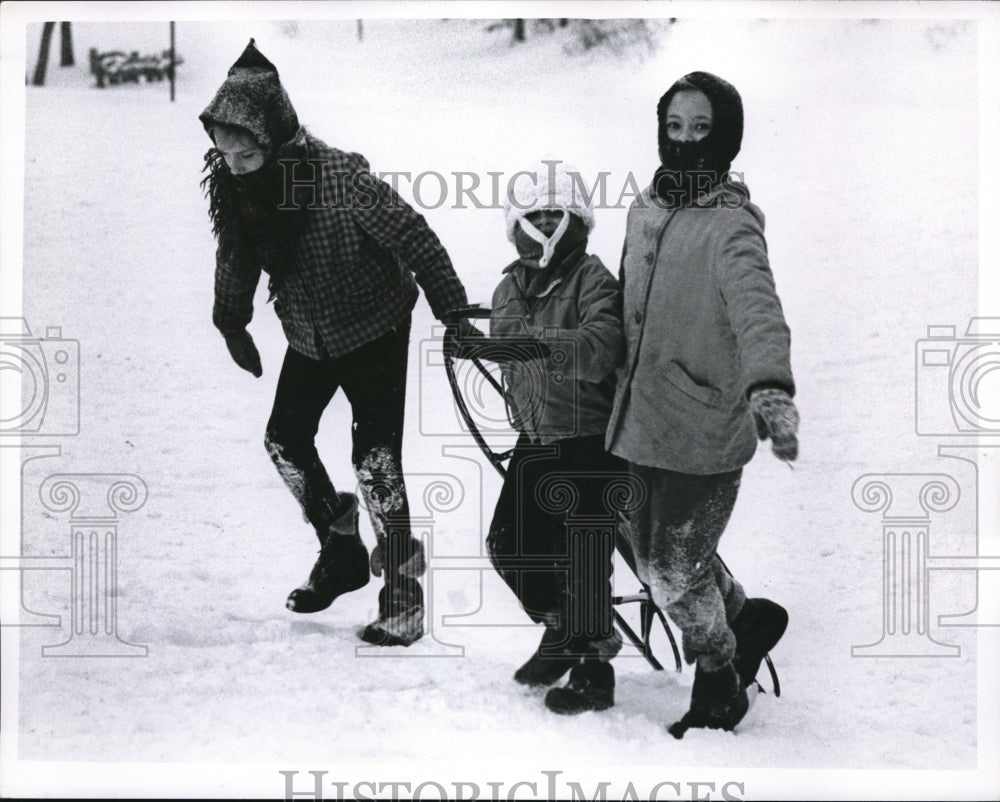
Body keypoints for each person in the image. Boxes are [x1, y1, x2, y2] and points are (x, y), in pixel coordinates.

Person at [198, 39, 469, 647]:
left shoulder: (343, 179)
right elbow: (236, 257)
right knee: (284, 443)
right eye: (224, 152)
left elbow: (416, 238)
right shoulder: (244, 191)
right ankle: (340, 549)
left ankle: (403, 593)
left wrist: (453, 313)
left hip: (375, 325)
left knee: (375, 461)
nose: (234, 164)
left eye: (246, 152)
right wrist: (231, 321)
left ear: (278, 139)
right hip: (309, 333)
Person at [606, 71, 798, 737]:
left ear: (727, 140)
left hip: (704, 425)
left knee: (668, 570)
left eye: (702, 130)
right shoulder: (645, 208)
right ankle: (744, 616)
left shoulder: (731, 226)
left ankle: (721, 673)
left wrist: (769, 386)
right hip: (639, 420)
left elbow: (758, 312)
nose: (686, 141)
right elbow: (625, 300)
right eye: (675, 127)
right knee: (646, 544)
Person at [451, 159, 627, 714]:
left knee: (585, 552)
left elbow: (602, 346)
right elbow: (508, 349)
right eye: (536, 215)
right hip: (536, 436)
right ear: (516, 223)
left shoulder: (594, 278)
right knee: (510, 545)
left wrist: (538, 346)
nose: (546, 225)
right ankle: (560, 630)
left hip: (591, 438)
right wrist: (478, 345)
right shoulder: (508, 288)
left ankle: (595, 670)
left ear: (577, 219)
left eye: (557, 214)